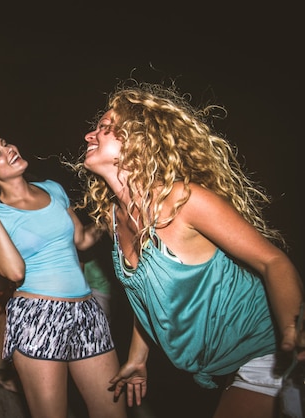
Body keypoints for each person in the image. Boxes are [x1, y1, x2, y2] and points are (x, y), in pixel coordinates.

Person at [72, 81, 304, 418]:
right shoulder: (116, 216)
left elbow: (272, 261)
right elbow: (145, 295)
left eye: (106, 128)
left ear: (140, 140)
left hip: (265, 350)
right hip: (226, 364)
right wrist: (138, 357)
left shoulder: (183, 201)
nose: (90, 136)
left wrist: (292, 334)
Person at [0, 133, 127, 418]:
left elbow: (81, 239)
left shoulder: (52, 188)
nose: (9, 150)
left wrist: (114, 213)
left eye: (6, 144)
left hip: (87, 310)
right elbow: (13, 271)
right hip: (37, 316)